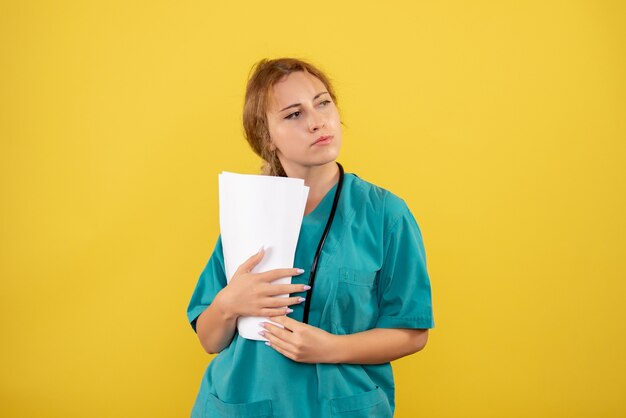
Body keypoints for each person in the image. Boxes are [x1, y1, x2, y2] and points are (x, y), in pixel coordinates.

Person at [187, 58, 434, 418]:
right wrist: (229, 303)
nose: (317, 121)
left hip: (341, 407)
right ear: (267, 138)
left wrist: (330, 348)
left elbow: (413, 333)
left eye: (323, 103)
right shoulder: (248, 211)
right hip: (241, 404)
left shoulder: (385, 215)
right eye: (293, 114)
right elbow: (210, 340)